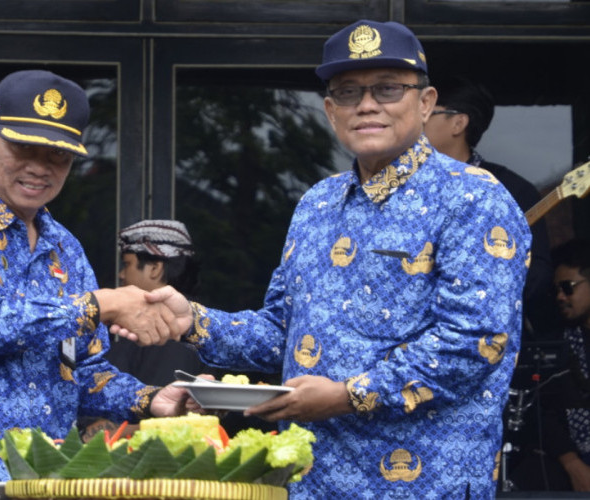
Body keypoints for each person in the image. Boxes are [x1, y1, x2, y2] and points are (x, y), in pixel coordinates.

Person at [121, 19, 531, 497]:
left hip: (423, 483)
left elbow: (474, 342)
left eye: (387, 89)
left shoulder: (474, 199)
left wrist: (347, 396)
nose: (368, 105)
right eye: (349, 92)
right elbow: (283, 333)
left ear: (425, 103)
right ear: (331, 111)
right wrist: (192, 321)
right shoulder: (317, 204)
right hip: (312, 479)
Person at [0, 70, 196, 481]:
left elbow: (81, 369)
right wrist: (103, 304)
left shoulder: (65, 249)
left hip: (43, 481)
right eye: (22, 146)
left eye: (58, 154)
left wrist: (152, 399)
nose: (39, 167)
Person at [424, 75, 554, 338]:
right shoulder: (398, 185)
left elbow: (538, 276)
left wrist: (487, 277)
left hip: (481, 342)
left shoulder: (511, 190)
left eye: (426, 113)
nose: (415, 122)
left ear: (458, 123)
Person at [79, 219, 210, 441]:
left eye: (127, 264)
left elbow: (167, 422)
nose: (121, 275)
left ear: (155, 268)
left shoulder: (170, 334)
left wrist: (89, 438)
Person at [511, 239, 590, 492]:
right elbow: (541, 410)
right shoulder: (553, 343)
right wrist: (573, 464)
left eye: (568, 287)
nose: (560, 296)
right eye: (555, 289)